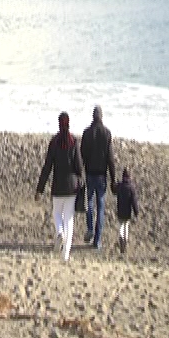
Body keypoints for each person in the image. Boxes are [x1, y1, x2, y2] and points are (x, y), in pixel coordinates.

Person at [35, 111, 84, 262]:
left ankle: (59, 232)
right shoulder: (74, 142)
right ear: (68, 124)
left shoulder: (54, 142)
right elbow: (79, 165)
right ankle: (66, 255)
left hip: (58, 187)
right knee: (69, 218)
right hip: (72, 188)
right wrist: (81, 178)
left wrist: (40, 189)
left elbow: (47, 166)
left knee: (57, 213)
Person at [80, 105, 117, 250]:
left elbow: (81, 156)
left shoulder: (87, 133)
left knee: (89, 202)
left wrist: (78, 172)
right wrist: (113, 179)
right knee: (101, 206)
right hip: (102, 175)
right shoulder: (106, 133)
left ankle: (89, 227)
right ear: (101, 116)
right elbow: (110, 159)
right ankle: (97, 241)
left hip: (89, 173)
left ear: (92, 116)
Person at [115, 167, 139, 254]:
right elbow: (134, 201)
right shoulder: (131, 188)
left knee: (121, 226)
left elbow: (114, 190)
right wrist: (136, 212)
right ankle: (125, 242)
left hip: (120, 210)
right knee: (126, 227)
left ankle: (121, 241)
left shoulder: (120, 186)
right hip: (128, 212)